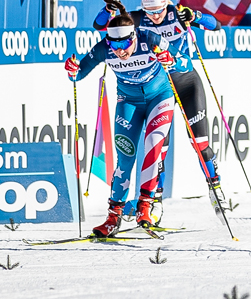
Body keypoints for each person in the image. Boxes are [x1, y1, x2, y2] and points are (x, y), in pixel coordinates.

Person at [93, 0, 227, 223]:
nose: (155, 17)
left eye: (159, 11)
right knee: (158, 147)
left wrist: (196, 16)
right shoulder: (136, 19)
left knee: (200, 142)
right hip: (159, 88)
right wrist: (108, 10)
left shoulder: (178, 14)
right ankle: (155, 202)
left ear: (166, 4)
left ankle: (215, 189)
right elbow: (101, 26)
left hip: (185, 82)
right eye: (150, 12)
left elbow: (215, 25)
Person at [63, 15, 176, 238]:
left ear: (134, 37)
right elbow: (78, 74)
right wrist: (72, 70)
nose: (120, 51)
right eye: (115, 46)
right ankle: (113, 218)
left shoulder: (149, 38)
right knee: (125, 158)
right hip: (129, 102)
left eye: (124, 44)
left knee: (153, 146)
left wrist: (171, 61)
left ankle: (145, 207)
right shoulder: (104, 49)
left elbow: (185, 62)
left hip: (160, 97)